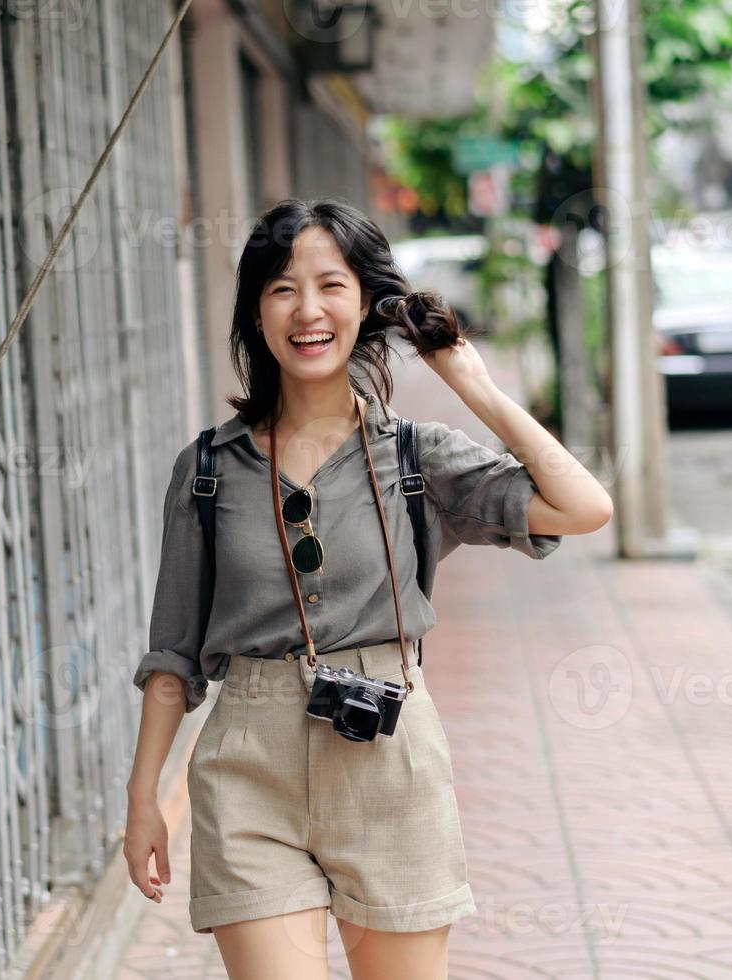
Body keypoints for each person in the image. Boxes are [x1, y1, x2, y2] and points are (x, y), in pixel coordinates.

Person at [122, 199, 613, 979]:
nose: (307, 310)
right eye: (282, 289)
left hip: (387, 758)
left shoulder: (418, 455)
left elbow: (584, 507)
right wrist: (143, 793)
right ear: (256, 311)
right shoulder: (209, 469)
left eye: (330, 285)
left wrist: (472, 383)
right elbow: (172, 652)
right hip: (250, 765)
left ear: (364, 306)